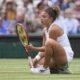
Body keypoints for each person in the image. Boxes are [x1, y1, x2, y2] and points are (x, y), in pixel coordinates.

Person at [25, 6, 74, 74]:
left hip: (65, 57)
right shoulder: (44, 30)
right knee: (36, 64)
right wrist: (36, 59)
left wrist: (33, 48)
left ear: (51, 19)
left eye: (44, 17)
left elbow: (46, 47)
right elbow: (44, 50)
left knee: (49, 42)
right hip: (55, 56)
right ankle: (59, 70)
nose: (41, 18)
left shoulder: (54, 29)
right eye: (41, 16)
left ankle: (46, 68)